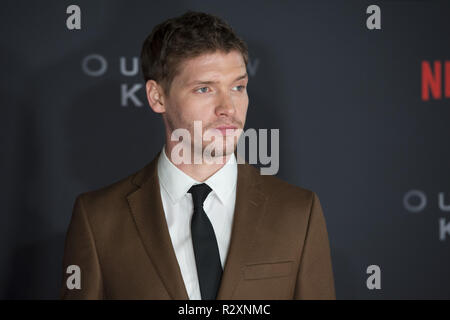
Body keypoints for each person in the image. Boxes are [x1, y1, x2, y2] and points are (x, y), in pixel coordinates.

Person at [60, 11, 335, 300]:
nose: (228, 108)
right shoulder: (98, 219)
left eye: (238, 87)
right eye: (204, 89)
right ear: (157, 97)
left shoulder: (298, 212)